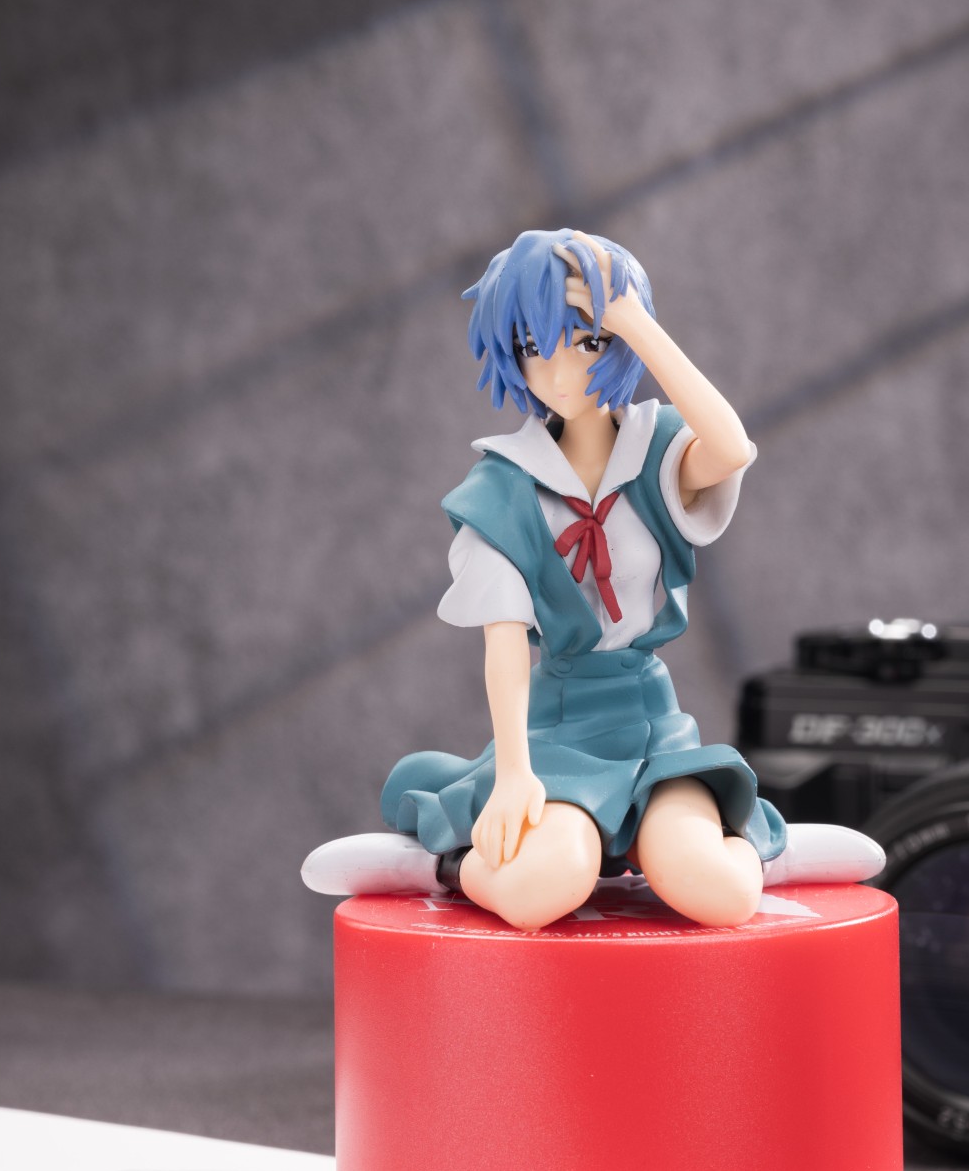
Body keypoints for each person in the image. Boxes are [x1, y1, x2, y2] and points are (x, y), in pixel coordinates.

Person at [303, 228, 882, 929]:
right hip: (559, 723)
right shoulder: (502, 488)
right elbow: (505, 646)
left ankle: (757, 849)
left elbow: (731, 448)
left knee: (718, 893)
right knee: (543, 888)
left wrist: (633, 320)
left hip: (650, 718)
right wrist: (514, 773)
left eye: (585, 341)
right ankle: (438, 863)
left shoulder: (658, 450)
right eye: (532, 345)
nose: (558, 372)